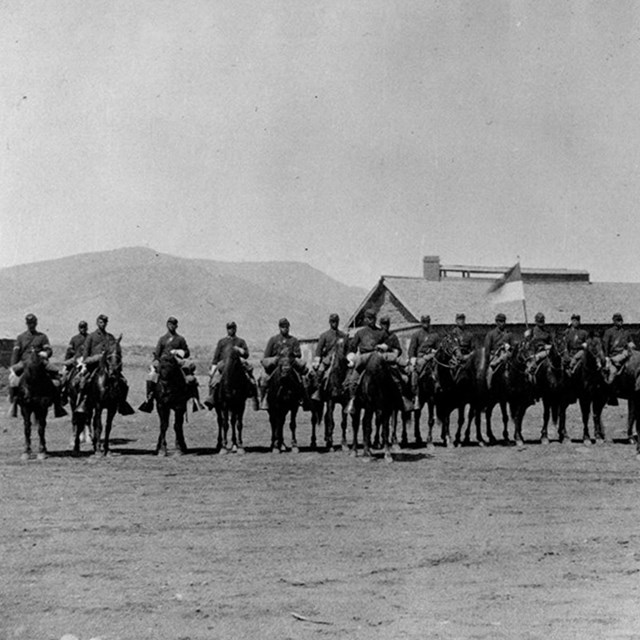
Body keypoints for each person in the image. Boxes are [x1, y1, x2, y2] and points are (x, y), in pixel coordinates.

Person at [8, 313, 67, 418]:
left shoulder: (42, 337)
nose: (31, 325)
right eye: (29, 323)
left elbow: (49, 350)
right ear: (26, 324)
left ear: (36, 323)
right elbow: (15, 354)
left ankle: (58, 407)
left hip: (40, 362)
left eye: (33, 323)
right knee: (13, 381)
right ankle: (14, 404)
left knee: (58, 380)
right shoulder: (20, 337)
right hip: (25, 362)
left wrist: (46, 353)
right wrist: (13, 368)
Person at [75, 314, 134, 415]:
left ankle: (122, 404)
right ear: (97, 323)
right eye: (101, 322)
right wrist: (98, 357)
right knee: (84, 381)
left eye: (105, 322)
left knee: (123, 382)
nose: (103, 324)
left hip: (108, 367)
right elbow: (85, 358)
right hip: (93, 367)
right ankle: (84, 402)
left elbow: (115, 353)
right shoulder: (91, 337)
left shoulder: (110, 337)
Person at [139, 317, 200, 413]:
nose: (171, 326)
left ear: (176, 326)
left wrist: (179, 351)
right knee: (151, 377)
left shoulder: (180, 339)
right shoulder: (162, 339)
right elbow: (157, 354)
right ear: (167, 325)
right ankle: (149, 399)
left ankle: (196, 401)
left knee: (191, 379)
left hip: (177, 362)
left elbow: (187, 352)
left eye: (173, 324)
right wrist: (156, 361)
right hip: (163, 363)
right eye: (170, 324)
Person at [204, 321, 259, 411]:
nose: (231, 330)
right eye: (229, 328)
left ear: (235, 329)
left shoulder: (240, 341)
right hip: (224, 363)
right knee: (214, 381)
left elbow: (246, 354)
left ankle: (254, 398)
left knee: (251, 379)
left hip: (238, 363)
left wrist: (239, 350)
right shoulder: (222, 342)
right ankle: (212, 398)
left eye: (233, 328)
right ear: (227, 329)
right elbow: (216, 357)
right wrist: (213, 368)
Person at [259, 318, 308, 410]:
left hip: (291, 363)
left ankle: (303, 398)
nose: (285, 329)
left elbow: (299, 354)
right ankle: (264, 399)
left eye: (286, 327)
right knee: (264, 378)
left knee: (302, 378)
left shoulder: (293, 340)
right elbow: (266, 355)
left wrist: (291, 353)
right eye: (283, 327)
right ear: (279, 328)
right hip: (276, 364)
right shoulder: (273, 340)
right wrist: (277, 356)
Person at [344, 308, 386, 414]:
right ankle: (352, 400)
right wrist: (351, 356)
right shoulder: (360, 333)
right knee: (353, 379)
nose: (371, 321)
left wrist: (384, 347)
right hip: (363, 359)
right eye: (369, 318)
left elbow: (388, 345)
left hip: (377, 358)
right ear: (366, 319)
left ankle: (399, 397)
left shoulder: (381, 332)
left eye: (373, 318)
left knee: (393, 375)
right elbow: (352, 347)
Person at [379, 316, 413, 412]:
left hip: (391, 361)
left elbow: (398, 349)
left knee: (401, 378)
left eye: (387, 324)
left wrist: (395, 352)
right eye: (383, 324)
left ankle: (403, 398)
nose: (385, 326)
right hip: (378, 360)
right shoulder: (377, 335)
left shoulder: (392, 336)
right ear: (380, 325)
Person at [311, 313, 348, 401]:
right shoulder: (324, 335)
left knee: (350, 373)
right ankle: (318, 390)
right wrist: (317, 361)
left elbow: (347, 349)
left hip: (340, 359)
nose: (334, 323)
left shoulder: (343, 335)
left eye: (336, 321)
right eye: (332, 321)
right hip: (328, 359)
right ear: (330, 322)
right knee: (320, 371)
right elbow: (319, 350)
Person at [407, 314, 440, 410]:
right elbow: (411, 349)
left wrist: (433, 352)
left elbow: (438, 349)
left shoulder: (435, 335)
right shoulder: (416, 334)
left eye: (427, 322)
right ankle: (416, 396)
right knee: (414, 372)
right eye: (424, 322)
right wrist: (412, 358)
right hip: (420, 358)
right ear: (421, 322)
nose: (426, 323)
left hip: (432, 357)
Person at [60, 320, 89, 405]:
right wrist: (67, 360)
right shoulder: (74, 338)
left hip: (86, 360)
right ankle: (63, 394)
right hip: (75, 359)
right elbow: (69, 350)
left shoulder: (90, 337)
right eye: (81, 327)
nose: (83, 329)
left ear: (87, 328)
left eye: (84, 327)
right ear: (79, 328)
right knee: (64, 374)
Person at [483, 313, 514, 389]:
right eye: (500, 321)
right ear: (496, 322)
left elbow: (513, 348)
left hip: (507, 356)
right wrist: (487, 361)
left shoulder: (509, 334)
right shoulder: (491, 334)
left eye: (503, 321)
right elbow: (487, 350)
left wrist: (509, 347)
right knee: (490, 371)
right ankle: (488, 388)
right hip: (495, 356)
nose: (502, 323)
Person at [603, 312, 636, 382]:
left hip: (624, 357)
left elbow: (630, 342)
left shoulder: (625, 332)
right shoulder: (609, 332)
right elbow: (605, 345)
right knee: (613, 372)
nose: (620, 322)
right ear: (614, 321)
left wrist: (632, 345)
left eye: (621, 320)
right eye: (618, 320)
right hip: (612, 356)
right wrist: (606, 357)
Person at [524, 312, 553, 383]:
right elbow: (527, 344)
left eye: (542, 320)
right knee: (531, 365)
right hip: (534, 351)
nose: (541, 322)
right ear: (536, 321)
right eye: (539, 320)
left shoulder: (547, 332)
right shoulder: (532, 331)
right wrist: (527, 337)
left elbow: (551, 343)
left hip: (546, 351)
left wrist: (549, 346)